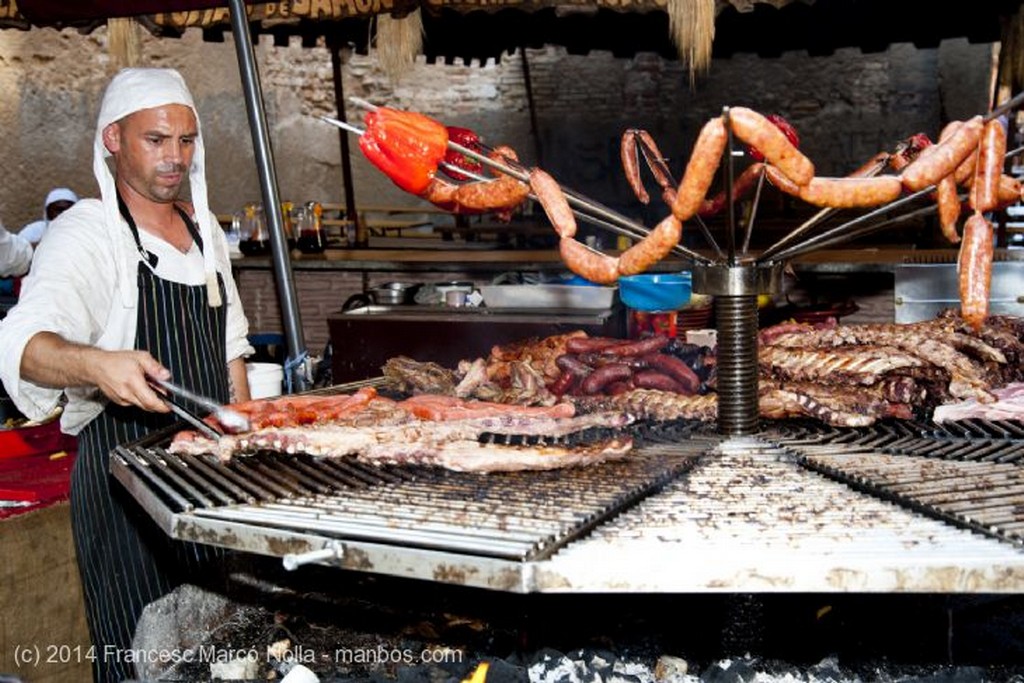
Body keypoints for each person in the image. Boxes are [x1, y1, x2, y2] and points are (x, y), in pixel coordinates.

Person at [0, 67, 254, 683]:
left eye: (187, 141)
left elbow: (231, 349)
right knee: (142, 658)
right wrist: (96, 364)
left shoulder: (206, 232)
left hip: (211, 482)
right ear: (112, 138)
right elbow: (21, 341)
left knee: (229, 652)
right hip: (127, 493)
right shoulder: (87, 233)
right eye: (156, 140)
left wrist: (250, 446)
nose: (176, 157)